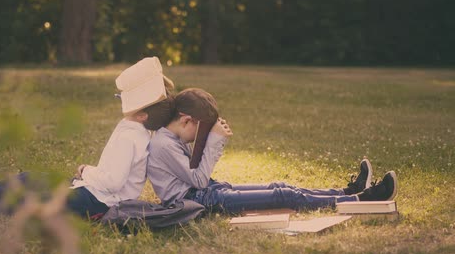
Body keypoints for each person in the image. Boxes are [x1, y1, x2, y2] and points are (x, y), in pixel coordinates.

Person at [0, 57, 175, 219]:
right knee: (31, 179)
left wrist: (86, 170)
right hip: (93, 191)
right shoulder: (133, 130)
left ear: (142, 115)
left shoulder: (133, 137)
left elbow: (112, 181)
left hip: (100, 201)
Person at [147, 88, 398, 214]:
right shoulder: (164, 144)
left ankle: (347, 192)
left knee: (280, 186)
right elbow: (199, 179)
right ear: (185, 120)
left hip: (206, 191)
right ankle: (359, 201)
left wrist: (212, 139)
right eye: (200, 131)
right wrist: (213, 142)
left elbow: (200, 178)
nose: (197, 139)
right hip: (198, 200)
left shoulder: (171, 137)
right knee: (283, 196)